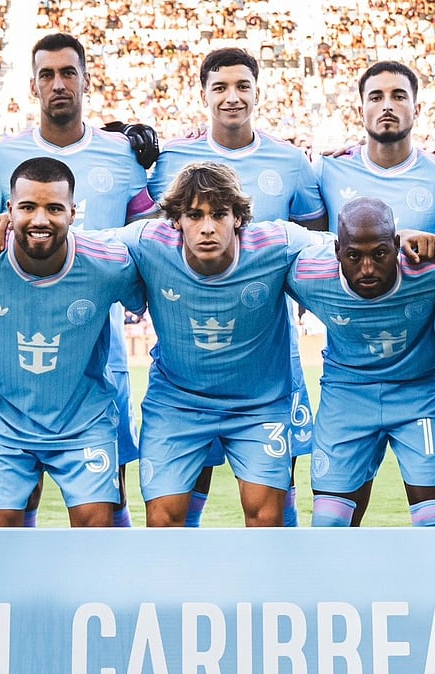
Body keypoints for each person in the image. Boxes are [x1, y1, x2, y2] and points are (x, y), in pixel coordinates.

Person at [0, 33, 158, 528]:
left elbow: (151, 230)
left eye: (68, 73)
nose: (59, 84)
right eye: (47, 75)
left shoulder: (122, 154)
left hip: (101, 357)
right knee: (16, 498)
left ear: (85, 79)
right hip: (15, 351)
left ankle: (110, 598)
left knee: (107, 498)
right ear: (32, 86)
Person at [148, 47, 326, 527]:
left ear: (257, 91)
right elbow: (144, 235)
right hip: (187, 351)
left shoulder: (291, 161)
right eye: (220, 87)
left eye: (242, 86)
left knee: (274, 493)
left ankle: (275, 588)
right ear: (203, 93)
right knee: (183, 491)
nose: (232, 97)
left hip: (268, 352)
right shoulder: (169, 159)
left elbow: (315, 243)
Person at [0, 157, 145, 526]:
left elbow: (154, 276)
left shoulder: (110, 263)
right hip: (1, 423)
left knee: (97, 527)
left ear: (74, 213)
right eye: (27, 207)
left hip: (83, 420)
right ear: (8, 210)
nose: (40, 219)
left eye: (54, 208)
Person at [118, 161, 323, 527]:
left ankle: (271, 586)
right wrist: (4, 229)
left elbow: (351, 244)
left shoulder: (280, 243)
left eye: (220, 214)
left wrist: (401, 238)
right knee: (163, 522)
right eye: (194, 215)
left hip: (257, 406)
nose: (208, 227)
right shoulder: (146, 241)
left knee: (266, 519)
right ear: (176, 220)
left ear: (239, 218)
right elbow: (79, 245)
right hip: (177, 402)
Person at [288, 197, 435, 527]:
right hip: (347, 397)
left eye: (380, 254)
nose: (367, 268)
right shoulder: (305, 273)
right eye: (354, 256)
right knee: (328, 524)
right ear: (336, 249)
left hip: (420, 393)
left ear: (397, 245)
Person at [315, 61, 435, 238]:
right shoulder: (327, 170)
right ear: (360, 112)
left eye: (399, 96)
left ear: (417, 110)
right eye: (376, 98)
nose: (387, 106)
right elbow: (313, 245)